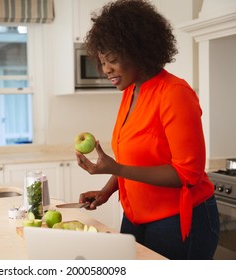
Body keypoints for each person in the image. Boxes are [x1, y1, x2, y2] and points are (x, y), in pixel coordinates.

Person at [75, 0, 219, 260]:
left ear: (138, 51)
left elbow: (188, 175)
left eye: (113, 60)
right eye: (102, 61)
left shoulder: (175, 94)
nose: (106, 69)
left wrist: (115, 168)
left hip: (179, 220)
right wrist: (107, 190)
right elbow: (137, 160)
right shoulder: (131, 91)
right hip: (134, 218)